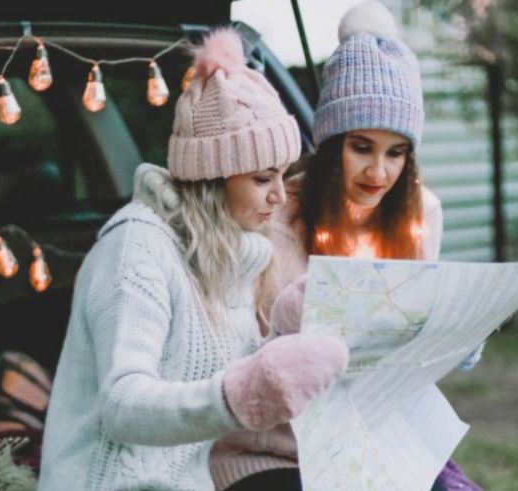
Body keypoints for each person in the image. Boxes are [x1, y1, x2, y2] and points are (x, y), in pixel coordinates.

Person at [37, 28, 349, 491]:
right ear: (212, 177)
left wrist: (285, 337)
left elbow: (227, 376)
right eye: (263, 178)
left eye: (283, 175)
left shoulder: (235, 253)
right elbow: (124, 406)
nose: (280, 195)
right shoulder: (135, 251)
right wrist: (243, 394)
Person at [209, 2, 483, 490]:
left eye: (396, 153)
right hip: (272, 451)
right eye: (362, 148)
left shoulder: (418, 213)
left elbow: (411, 354)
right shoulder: (272, 218)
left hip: (378, 444)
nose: (379, 173)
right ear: (333, 142)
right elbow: (229, 359)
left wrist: (453, 335)